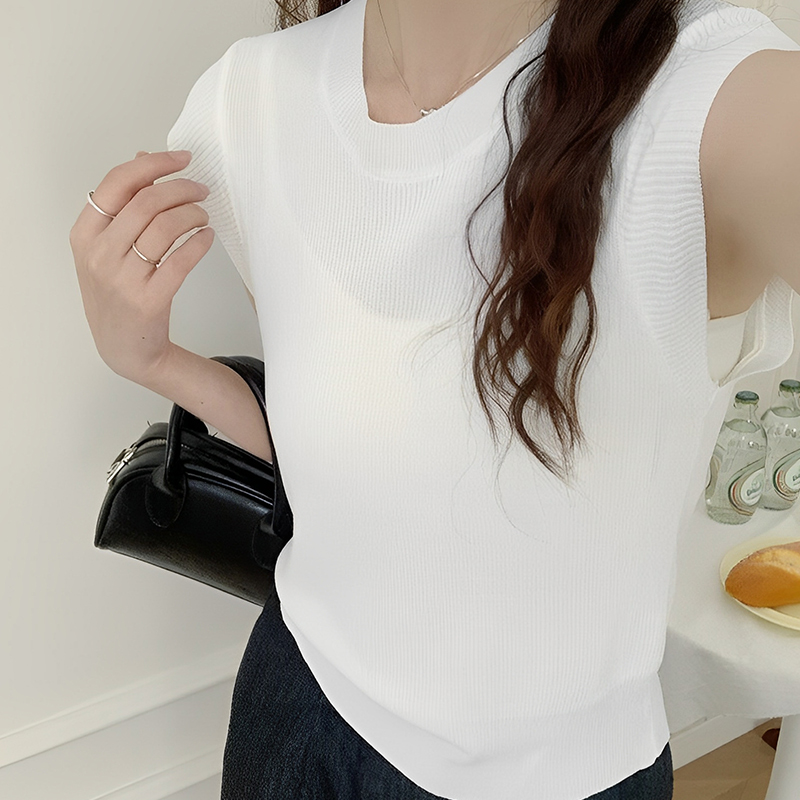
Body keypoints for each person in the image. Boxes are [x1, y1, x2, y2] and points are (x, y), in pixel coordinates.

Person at [69, 0, 800, 797]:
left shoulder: (701, 94)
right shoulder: (248, 98)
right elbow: (338, 453)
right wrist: (154, 361)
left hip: (559, 777)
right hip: (295, 714)